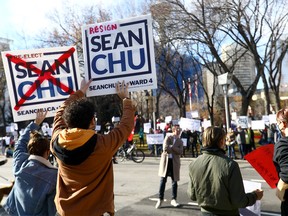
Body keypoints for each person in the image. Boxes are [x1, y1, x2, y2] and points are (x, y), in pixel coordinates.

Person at [50, 80, 135, 216]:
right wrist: (126, 99)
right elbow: (126, 125)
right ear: (92, 122)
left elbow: (60, 112)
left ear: (68, 121)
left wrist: (80, 92)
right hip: (95, 211)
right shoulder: (103, 144)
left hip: (64, 211)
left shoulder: (56, 141)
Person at [187, 126, 263, 215]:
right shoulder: (230, 165)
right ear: (221, 141)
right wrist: (255, 196)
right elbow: (239, 201)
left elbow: (192, 195)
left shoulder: (194, 164)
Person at [1, 110, 57, 216]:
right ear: (48, 152)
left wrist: (35, 123)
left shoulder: (20, 163)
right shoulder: (54, 176)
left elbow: (20, 144)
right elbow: (51, 210)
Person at [155, 125, 183, 209]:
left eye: (179, 130)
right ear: (173, 130)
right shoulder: (168, 137)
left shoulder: (180, 141)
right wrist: (174, 149)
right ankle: (160, 199)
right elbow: (165, 148)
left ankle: (173, 199)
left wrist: (172, 148)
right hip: (166, 162)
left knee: (174, 181)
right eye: (177, 130)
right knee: (163, 180)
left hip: (174, 162)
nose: (178, 131)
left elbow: (180, 151)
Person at [273, 107, 288, 215]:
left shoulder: (283, 145)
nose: (278, 126)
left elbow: (287, 174)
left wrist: (279, 191)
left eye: (278, 123)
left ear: (283, 123)